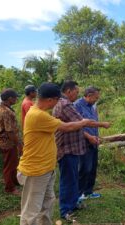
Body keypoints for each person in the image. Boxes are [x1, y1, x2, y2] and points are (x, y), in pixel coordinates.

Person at [17, 82, 101, 225]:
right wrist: (84, 122)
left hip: (46, 167)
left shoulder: (41, 113)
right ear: (51, 100)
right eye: (57, 100)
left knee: (47, 203)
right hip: (36, 170)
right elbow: (66, 127)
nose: (58, 104)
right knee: (31, 210)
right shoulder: (38, 115)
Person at [52, 81, 110, 221]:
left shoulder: (71, 104)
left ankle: (73, 204)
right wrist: (102, 125)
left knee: (73, 178)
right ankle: (65, 209)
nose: (78, 94)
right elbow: (82, 122)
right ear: (69, 91)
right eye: (76, 91)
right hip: (68, 148)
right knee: (70, 179)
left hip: (74, 147)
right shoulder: (67, 105)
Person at [75, 87, 111, 201]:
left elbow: (93, 123)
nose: (97, 100)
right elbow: (76, 126)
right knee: (84, 169)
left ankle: (88, 192)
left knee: (93, 168)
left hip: (94, 142)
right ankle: (78, 195)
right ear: (89, 95)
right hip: (83, 142)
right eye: (96, 97)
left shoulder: (93, 107)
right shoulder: (77, 106)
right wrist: (89, 137)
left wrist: (96, 136)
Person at [0, 89, 21, 195]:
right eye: (15, 97)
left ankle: (13, 181)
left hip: (1, 140)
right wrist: (18, 143)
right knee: (10, 164)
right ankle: (10, 188)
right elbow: (10, 132)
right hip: (8, 142)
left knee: (11, 163)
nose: (16, 99)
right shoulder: (6, 112)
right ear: (10, 99)